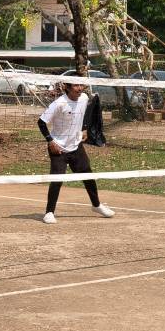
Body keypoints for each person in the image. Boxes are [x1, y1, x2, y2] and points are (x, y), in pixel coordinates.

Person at [38, 80, 115, 224]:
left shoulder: (84, 98)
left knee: (88, 176)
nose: (80, 88)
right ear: (67, 87)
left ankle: (97, 205)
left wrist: (84, 128)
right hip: (58, 148)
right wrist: (50, 141)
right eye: (75, 85)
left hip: (76, 146)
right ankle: (49, 212)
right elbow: (41, 122)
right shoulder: (59, 103)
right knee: (57, 179)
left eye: (81, 85)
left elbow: (84, 113)